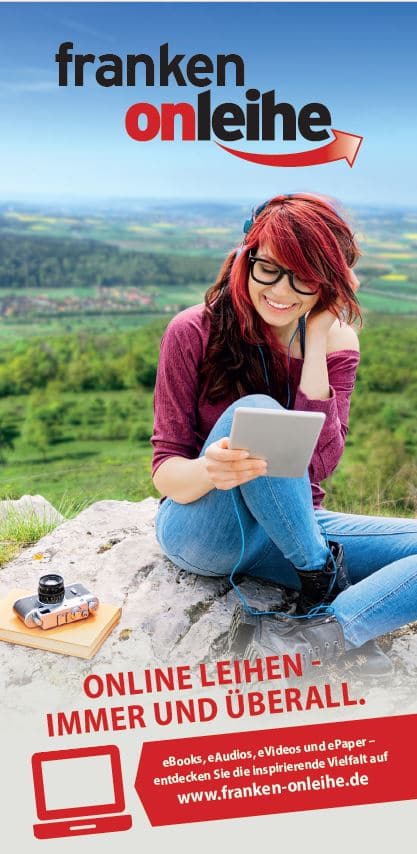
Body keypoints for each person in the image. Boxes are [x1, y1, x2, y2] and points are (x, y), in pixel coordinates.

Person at [151, 194, 417, 674]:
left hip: (294, 531)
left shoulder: (337, 343)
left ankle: (321, 635)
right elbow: (166, 472)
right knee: (258, 412)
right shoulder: (192, 330)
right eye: (269, 268)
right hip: (207, 529)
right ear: (245, 258)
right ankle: (321, 577)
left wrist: (316, 342)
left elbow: (318, 468)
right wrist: (209, 470)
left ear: (329, 283)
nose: (282, 289)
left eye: (304, 276)